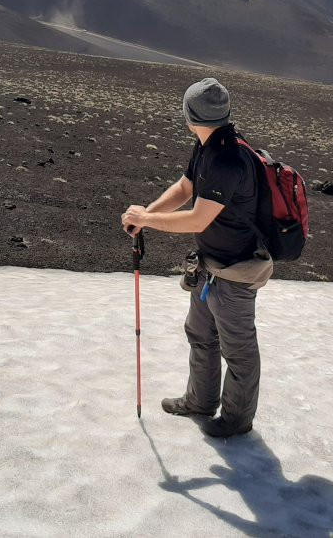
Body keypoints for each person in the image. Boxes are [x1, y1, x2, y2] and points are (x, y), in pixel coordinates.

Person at [121, 77, 273, 438]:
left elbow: (198, 217)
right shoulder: (208, 144)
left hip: (236, 270)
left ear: (190, 113)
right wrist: (147, 214)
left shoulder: (227, 159)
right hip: (211, 264)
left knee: (238, 349)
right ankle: (200, 401)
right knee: (201, 333)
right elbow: (186, 187)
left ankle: (237, 421)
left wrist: (146, 220)